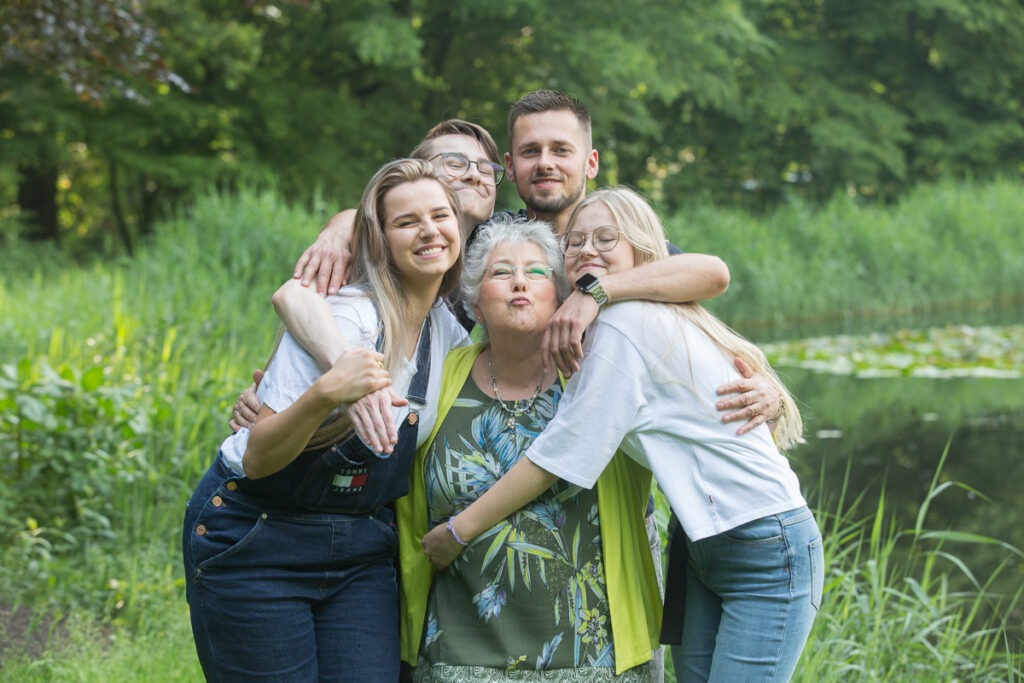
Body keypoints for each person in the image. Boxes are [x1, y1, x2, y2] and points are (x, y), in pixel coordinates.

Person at [423, 187, 823, 682]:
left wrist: (459, 531)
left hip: (764, 543)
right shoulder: (613, 321)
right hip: (701, 545)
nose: (588, 249)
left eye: (606, 238)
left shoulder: (623, 325)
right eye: (576, 242)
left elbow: (562, 456)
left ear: (640, 251)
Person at [182, 158, 470, 682]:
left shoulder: (448, 334)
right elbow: (258, 456)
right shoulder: (345, 315)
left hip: (360, 550)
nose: (429, 231)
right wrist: (325, 395)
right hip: (258, 538)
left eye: (440, 215)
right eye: (407, 222)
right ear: (380, 240)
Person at [397, 215, 660, 681]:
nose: (520, 282)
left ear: (560, 294)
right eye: (501, 273)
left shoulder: (600, 368)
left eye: (537, 272)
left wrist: (761, 386)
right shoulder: (436, 377)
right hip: (458, 656)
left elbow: (700, 298)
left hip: (594, 657)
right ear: (475, 302)